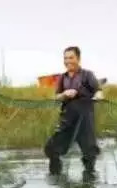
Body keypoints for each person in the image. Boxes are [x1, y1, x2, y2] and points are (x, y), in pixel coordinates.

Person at [43, 46, 105, 180]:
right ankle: (56, 179)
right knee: (52, 148)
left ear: (78, 58)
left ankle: (88, 185)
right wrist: (65, 94)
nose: (68, 61)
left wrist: (99, 96)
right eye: (65, 58)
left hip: (85, 120)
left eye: (71, 58)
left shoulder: (88, 75)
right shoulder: (62, 78)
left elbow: (98, 90)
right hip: (67, 120)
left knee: (89, 153)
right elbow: (57, 96)